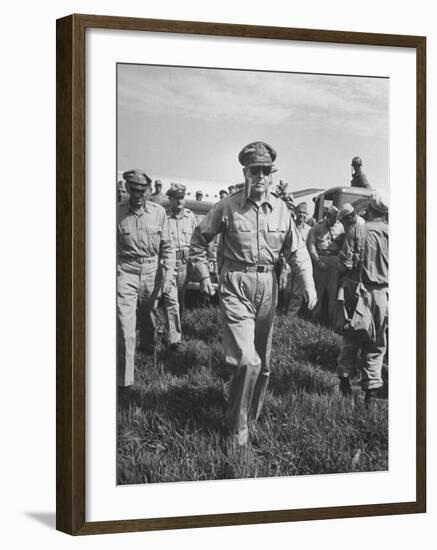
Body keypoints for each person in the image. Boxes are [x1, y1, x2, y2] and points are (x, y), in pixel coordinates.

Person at [189, 141, 317, 451]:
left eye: (265, 171)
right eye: (254, 171)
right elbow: (198, 240)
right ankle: (237, 433)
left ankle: (251, 416)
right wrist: (205, 276)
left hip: (268, 286)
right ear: (245, 173)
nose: (260, 176)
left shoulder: (282, 210)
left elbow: (297, 250)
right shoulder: (229, 206)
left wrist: (309, 283)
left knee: (265, 363)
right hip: (236, 283)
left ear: (272, 176)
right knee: (248, 360)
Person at [117, 169, 175, 389]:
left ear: (149, 191)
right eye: (133, 190)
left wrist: (168, 275)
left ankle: (148, 349)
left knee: (149, 314)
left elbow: (168, 247)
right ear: (127, 189)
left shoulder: (159, 212)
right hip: (125, 270)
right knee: (125, 325)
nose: (138, 195)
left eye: (142, 191)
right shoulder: (116, 212)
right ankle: (125, 381)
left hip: (152, 270)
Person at [337, 191, 389, 404]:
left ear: (369, 209)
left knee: (352, 336)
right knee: (377, 343)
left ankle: (345, 382)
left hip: (358, 291)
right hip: (383, 293)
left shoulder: (359, 229)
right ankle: (371, 392)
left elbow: (345, 262)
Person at [163, 183, 197, 351]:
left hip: (185, 262)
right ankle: (174, 339)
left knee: (180, 299)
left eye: (182, 197)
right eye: (176, 198)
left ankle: (175, 328)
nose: (179, 201)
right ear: (169, 199)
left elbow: (196, 239)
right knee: (171, 299)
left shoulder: (190, 217)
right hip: (169, 263)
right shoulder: (164, 217)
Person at [307, 205, 344, 326]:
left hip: (334, 260)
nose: (334, 222)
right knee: (318, 291)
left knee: (333, 293)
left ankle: (332, 322)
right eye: (332, 218)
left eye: (336, 219)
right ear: (327, 216)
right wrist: (317, 261)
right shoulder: (317, 227)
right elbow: (311, 245)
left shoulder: (340, 227)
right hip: (321, 259)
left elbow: (343, 244)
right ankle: (314, 319)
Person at [283, 202, 311, 317]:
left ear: (307, 215)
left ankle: (291, 315)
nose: (302, 215)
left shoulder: (309, 230)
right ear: (295, 213)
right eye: (299, 212)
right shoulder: (289, 226)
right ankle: (283, 309)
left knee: (298, 291)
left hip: (300, 263)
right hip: (288, 262)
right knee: (286, 288)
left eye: (304, 213)